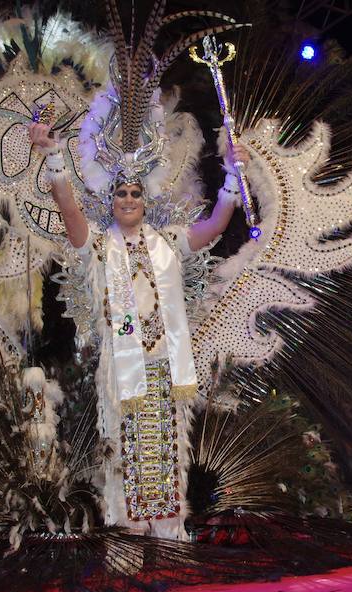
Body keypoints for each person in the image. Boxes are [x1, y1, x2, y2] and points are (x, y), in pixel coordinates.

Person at [28, 119, 248, 540]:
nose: (127, 199)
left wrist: (233, 174)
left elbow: (217, 224)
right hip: (121, 366)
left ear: (145, 201)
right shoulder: (96, 244)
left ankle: (168, 535)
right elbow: (69, 208)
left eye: (134, 193)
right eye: (120, 193)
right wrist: (54, 156)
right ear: (110, 201)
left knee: (164, 451)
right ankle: (128, 538)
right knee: (125, 455)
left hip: (166, 362)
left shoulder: (168, 241)